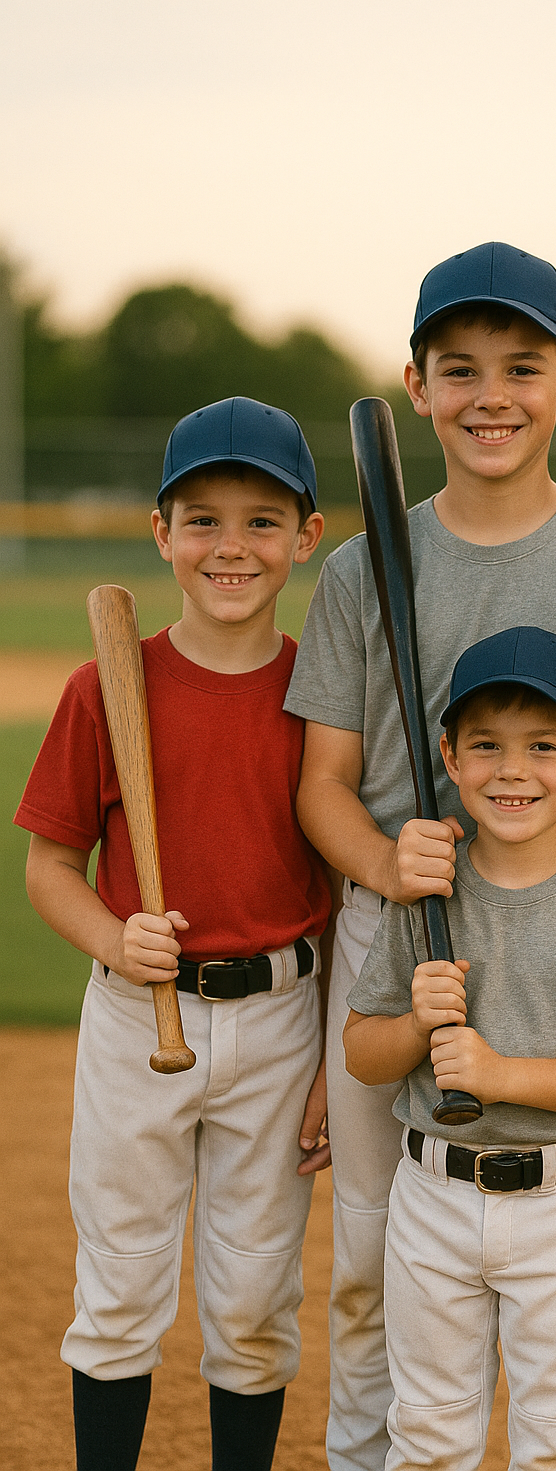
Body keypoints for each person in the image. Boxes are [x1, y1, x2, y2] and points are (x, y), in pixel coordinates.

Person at [285, 241, 556, 1471]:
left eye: (523, 367)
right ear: (415, 387)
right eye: (458, 370)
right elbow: (325, 789)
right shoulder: (367, 566)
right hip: (402, 934)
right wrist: (388, 869)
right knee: (373, 1261)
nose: (491, 395)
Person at [14, 397, 331, 1471]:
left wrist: (335, 1058)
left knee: (254, 1304)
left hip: (284, 1019)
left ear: (306, 536)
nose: (229, 546)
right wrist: (112, 938)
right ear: (160, 534)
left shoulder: (323, 696)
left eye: (259, 521)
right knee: (119, 1291)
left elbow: (347, 894)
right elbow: (50, 869)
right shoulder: (106, 686)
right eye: (201, 519)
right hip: (134, 1017)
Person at [344, 626, 556, 1471]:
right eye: (486, 746)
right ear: (450, 760)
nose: (514, 770)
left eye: (544, 746)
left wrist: (500, 1074)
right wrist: (415, 1027)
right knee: (424, 1432)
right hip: (433, 1194)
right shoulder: (426, 898)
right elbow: (360, 1052)